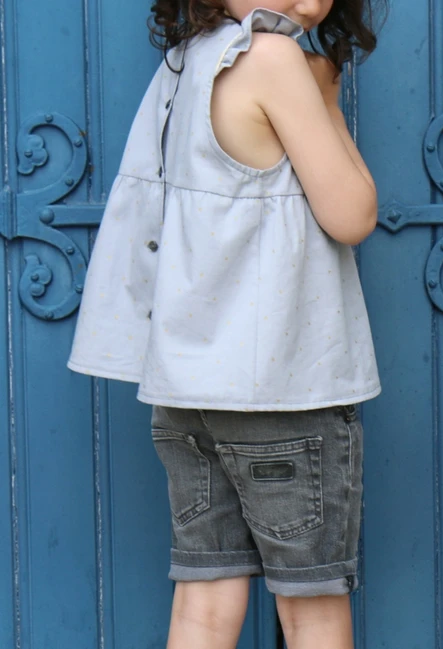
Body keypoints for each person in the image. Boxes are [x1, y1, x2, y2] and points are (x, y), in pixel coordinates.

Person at [68, 0, 386, 647]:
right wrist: (328, 102)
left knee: (204, 601)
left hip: (186, 391)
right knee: (311, 606)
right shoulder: (274, 59)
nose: (308, 4)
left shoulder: (184, 65)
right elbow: (351, 215)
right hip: (282, 391)